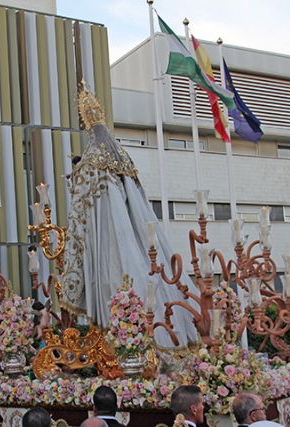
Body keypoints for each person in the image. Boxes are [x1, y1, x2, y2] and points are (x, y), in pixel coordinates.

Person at [60, 88, 199, 348]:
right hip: (134, 233)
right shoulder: (123, 158)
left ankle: (124, 344)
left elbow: (89, 204)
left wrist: (75, 180)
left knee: (114, 278)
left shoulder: (90, 161)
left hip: (107, 235)